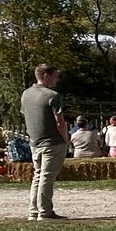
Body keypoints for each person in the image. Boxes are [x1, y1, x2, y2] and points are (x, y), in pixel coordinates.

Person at [19, 62, 69, 220]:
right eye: (55, 76)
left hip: (35, 141)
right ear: (46, 76)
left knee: (38, 175)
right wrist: (65, 139)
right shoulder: (52, 96)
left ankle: (33, 211)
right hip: (52, 142)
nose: (57, 79)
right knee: (47, 177)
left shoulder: (26, 94)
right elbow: (59, 121)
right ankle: (45, 212)